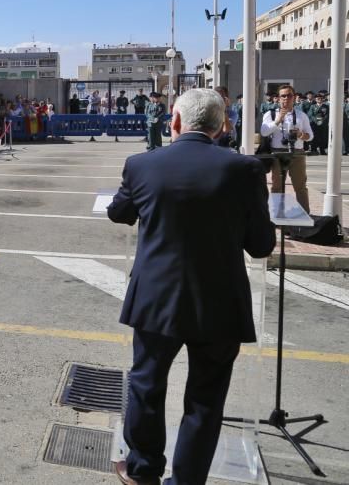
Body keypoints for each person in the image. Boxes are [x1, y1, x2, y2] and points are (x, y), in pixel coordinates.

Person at [107, 88, 275, 485]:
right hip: (219, 302)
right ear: (222, 127)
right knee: (205, 398)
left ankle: (143, 469)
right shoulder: (245, 169)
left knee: (147, 385)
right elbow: (261, 244)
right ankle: (187, 481)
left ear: (175, 122)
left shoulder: (142, 165)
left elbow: (119, 212)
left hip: (156, 299)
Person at [260, 84, 313, 214]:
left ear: (294, 97)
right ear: (278, 98)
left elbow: (310, 136)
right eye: (283, 96)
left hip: (297, 153)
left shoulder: (301, 115)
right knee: (277, 186)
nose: (286, 98)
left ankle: (304, 217)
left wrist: (300, 134)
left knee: (300, 187)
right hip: (278, 153)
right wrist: (278, 120)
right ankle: (277, 216)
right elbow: (264, 132)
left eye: (289, 95)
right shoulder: (270, 114)